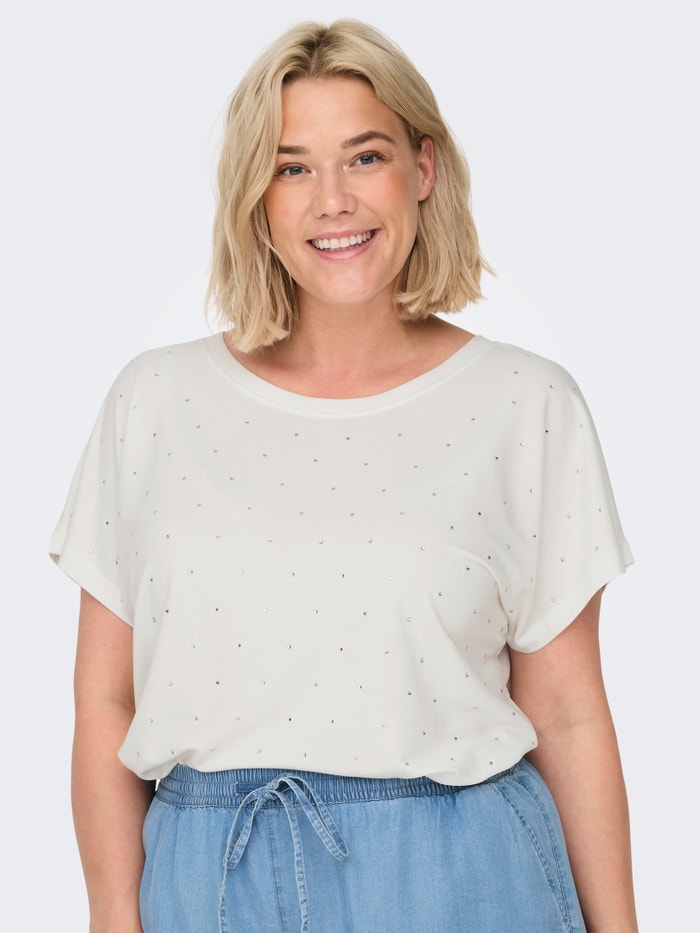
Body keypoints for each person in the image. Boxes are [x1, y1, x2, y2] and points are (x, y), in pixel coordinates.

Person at [51, 18, 638, 933]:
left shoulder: (525, 404)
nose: (333, 200)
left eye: (365, 157)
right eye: (292, 168)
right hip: (211, 883)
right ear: (256, 196)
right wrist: (112, 917)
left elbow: (566, 713)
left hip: (460, 881)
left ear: (423, 169)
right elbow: (105, 701)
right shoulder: (155, 402)